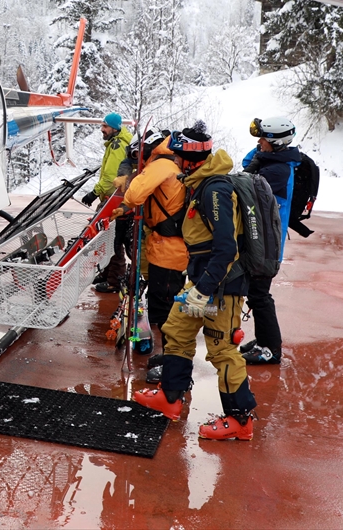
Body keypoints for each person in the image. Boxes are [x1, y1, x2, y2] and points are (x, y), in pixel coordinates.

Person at [132, 147, 258, 441]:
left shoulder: (215, 190)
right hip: (199, 281)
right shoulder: (199, 184)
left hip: (221, 286)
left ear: (193, 161)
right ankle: (171, 397)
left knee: (223, 350)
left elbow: (226, 248)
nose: (174, 160)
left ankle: (240, 420)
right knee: (176, 328)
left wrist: (203, 290)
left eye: (178, 156)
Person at [110, 129, 190, 361]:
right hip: (166, 244)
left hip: (169, 248)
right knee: (165, 301)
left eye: (138, 154)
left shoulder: (159, 165)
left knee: (166, 307)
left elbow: (135, 194)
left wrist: (133, 183)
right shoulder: (169, 161)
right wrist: (125, 208)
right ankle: (169, 357)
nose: (137, 160)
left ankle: (171, 362)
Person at [238, 115, 302, 366]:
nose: (259, 142)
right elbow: (248, 166)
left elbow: (246, 183)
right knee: (257, 293)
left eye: (263, 139)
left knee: (259, 295)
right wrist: (259, 152)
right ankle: (265, 339)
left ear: (276, 143)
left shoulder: (277, 170)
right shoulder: (275, 160)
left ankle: (270, 348)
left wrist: (257, 160)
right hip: (262, 240)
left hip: (267, 244)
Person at [83, 113, 133, 292]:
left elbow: (111, 177)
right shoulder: (117, 142)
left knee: (111, 239)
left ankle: (115, 280)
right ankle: (106, 272)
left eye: (105, 126)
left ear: (114, 128)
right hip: (113, 198)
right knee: (105, 238)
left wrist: (93, 193)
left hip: (113, 200)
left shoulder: (118, 145)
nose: (102, 130)